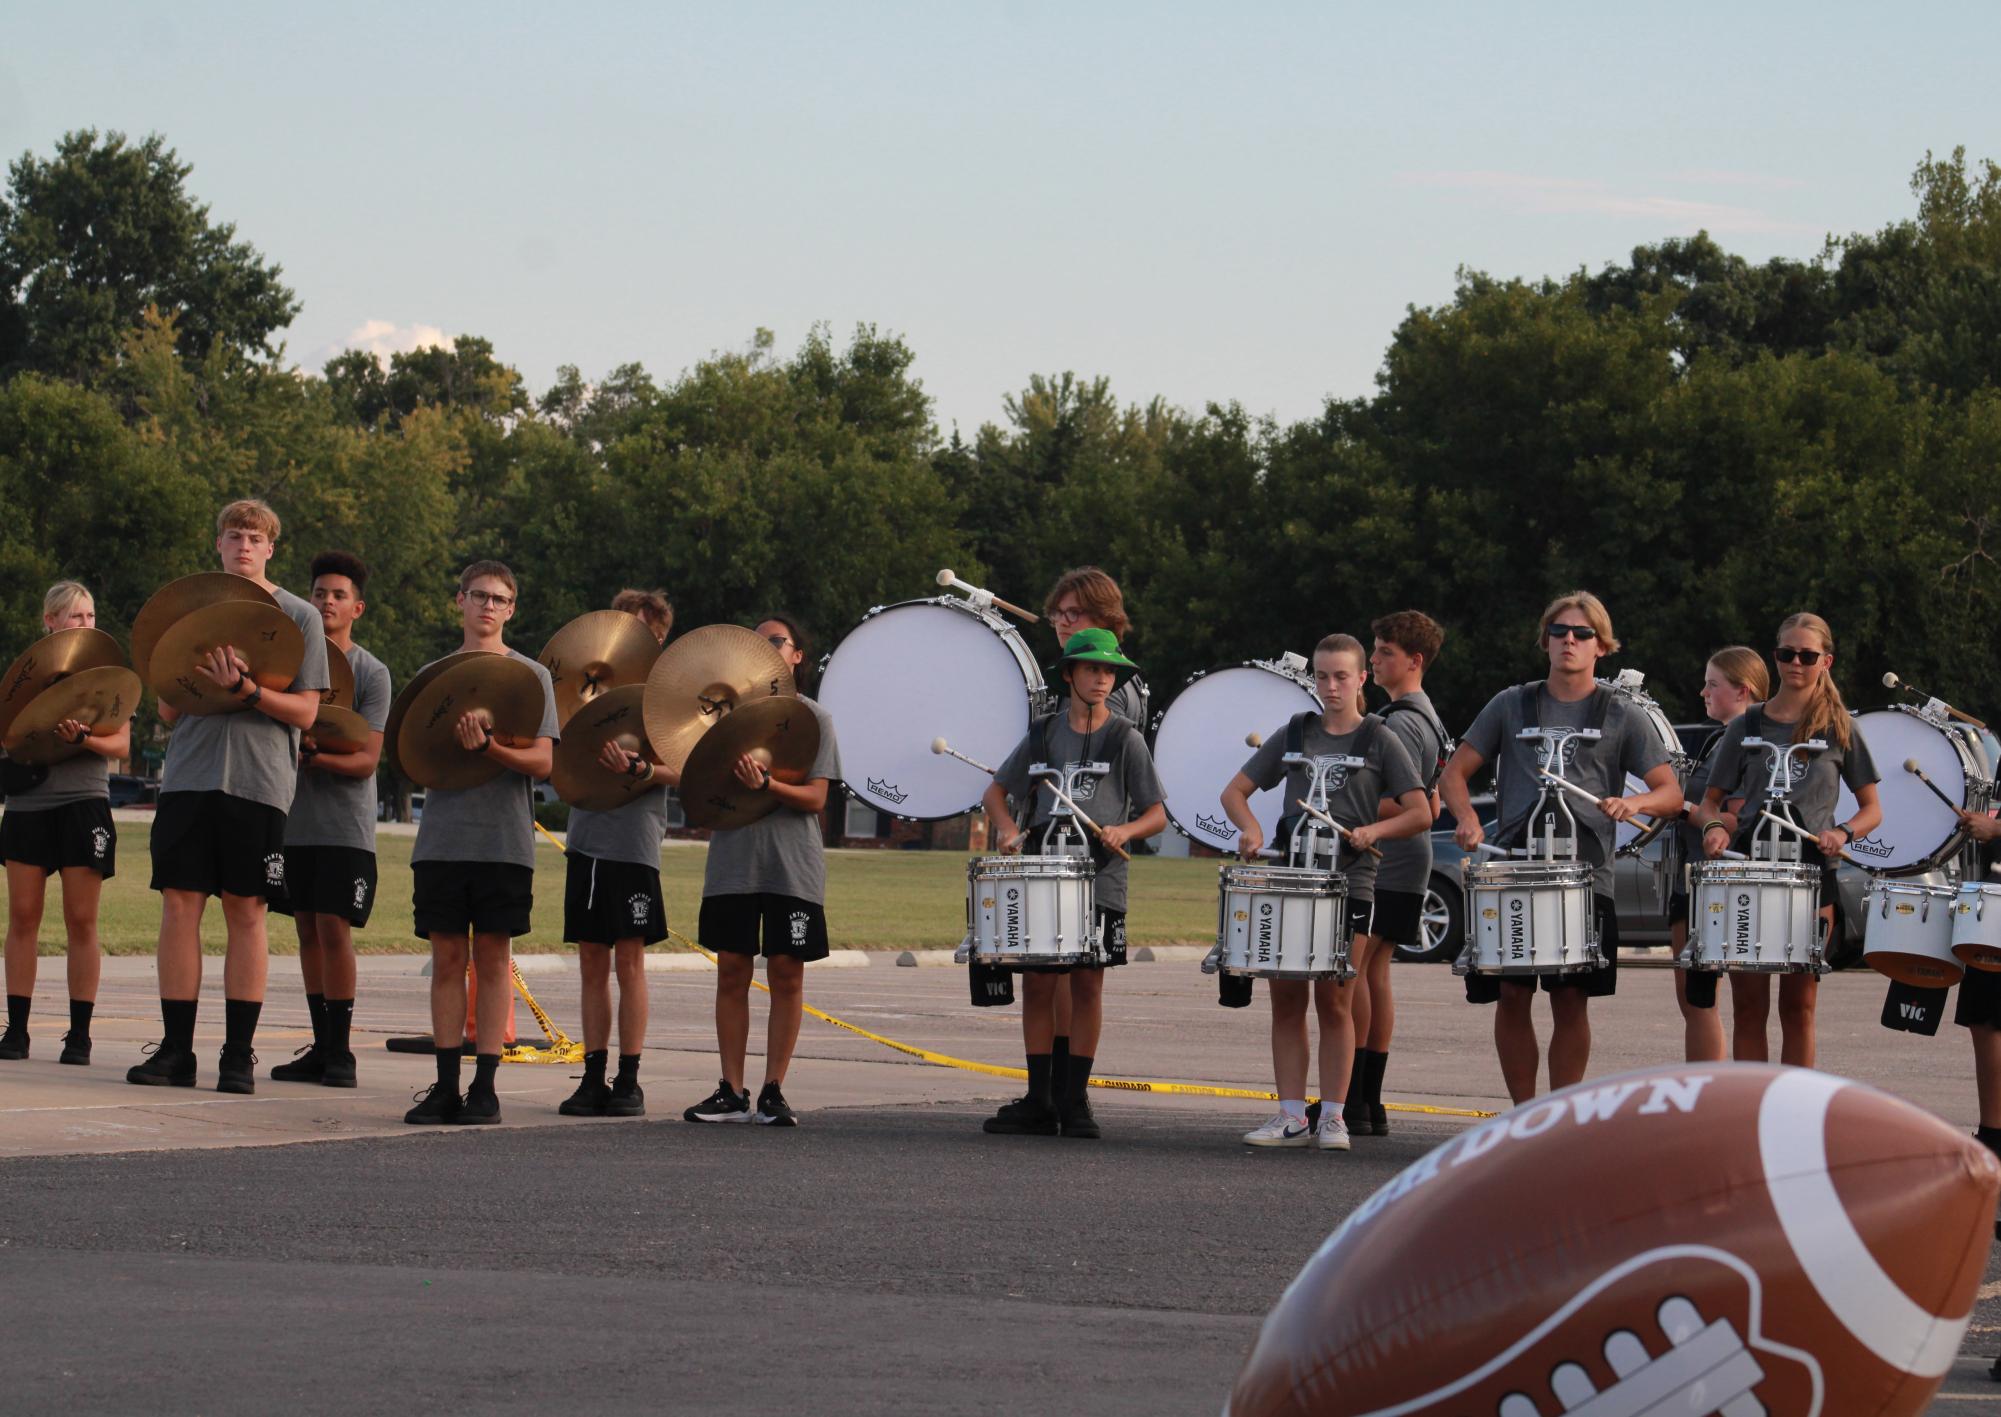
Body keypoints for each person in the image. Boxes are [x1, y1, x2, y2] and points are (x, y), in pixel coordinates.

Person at [1438, 591, 1681, 1104]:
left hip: (1586, 878)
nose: (1569, 640)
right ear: (1545, 640)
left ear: (1602, 645)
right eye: (1559, 631)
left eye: (1582, 633)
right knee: (1512, 993)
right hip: (1515, 873)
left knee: (1571, 1000)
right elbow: (1454, 773)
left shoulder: (1620, 713)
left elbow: (1671, 793)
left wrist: (1633, 805)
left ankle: (1558, 1116)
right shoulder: (1511, 704)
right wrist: (1465, 818)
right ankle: (1522, 1116)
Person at [129, 501, 329, 1094]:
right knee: (180, 906)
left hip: (259, 780)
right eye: (234, 535)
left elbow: (307, 710)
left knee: (247, 911)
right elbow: (166, 707)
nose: (244, 545)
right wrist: (197, 669)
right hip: (190, 776)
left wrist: (247, 690)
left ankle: (237, 1055)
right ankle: (175, 1049)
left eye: (255, 538)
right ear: (217, 544)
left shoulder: (298, 616)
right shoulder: (192, 611)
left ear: (271, 548)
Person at [1223, 634, 1431, 1151]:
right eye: (1321, 676)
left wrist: (1374, 833)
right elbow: (1235, 793)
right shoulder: (1295, 732)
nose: (1331, 686)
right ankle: (1291, 1115)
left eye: (1342, 676)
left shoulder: (1381, 737)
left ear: (1362, 679)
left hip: (1349, 886)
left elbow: (1422, 811)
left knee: (1335, 1001)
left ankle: (1334, 1116)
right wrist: (1249, 829)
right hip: (1292, 882)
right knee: (1286, 1001)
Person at [977, 628, 1168, 1140]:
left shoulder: (1126, 737)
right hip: (1043, 878)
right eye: (1091, 669)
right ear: (1069, 675)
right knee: (1039, 985)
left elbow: (1156, 814)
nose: (1102, 679)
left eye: (1109, 672)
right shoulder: (1042, 734)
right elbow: (995, 793)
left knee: (1088, 984)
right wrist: (1010, 829)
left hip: (1100, 879)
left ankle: (1075, 1098)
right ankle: (1040, 1098)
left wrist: (1125, 829)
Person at [403, 561, 559, 1125]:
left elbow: (543, 763)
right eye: (478, 596)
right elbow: (414, 757)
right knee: (447, 959)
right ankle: (445, 1084)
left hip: (503, 842)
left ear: (512, 609)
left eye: (499, 599)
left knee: (493, 959)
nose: (488, 607)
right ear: (460, 601)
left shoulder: (531, 676)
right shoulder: (434, 674)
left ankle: (486, 1087)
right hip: (442, 839)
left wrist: (491, 749)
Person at [1697, 613, 1880, 1069]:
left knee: (1798, 1009)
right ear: (1776, 656)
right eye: (1786, 654)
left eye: (1807, 655)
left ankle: (1794, 1114)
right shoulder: (1748, 724)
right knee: (1750, 1009)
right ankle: (1750, 1116)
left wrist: (1842, 833)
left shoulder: (1841, 727)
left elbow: (1873, 809)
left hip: (1813, 877)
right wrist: (1714, 828)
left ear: (1826, 661)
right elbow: (1709, 802)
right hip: (1750, 874)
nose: (1796, 663)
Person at [684, 614, 841, 1128]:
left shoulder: (814, 717)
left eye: (778, 641)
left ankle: (775, 1088)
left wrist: (768, 784)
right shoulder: (726, 717)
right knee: (732, 969)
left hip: (791, 866)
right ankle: (731, 1089)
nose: (768, 648)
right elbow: (700, 790)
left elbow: (816, 798)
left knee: (786, 972)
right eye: (759, 641)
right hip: (733, 861)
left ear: (797, 656)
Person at [265, 552, 390, 1088]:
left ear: (356, 607)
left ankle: (341, 1052)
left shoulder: (371, 672)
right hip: (295, 822)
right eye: (319, 594)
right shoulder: (293, 663)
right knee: (306, 932)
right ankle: (320, 1045)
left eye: (338, 595)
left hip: (344, 827)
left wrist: (312, 755)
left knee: (335, 931)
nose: (327, 602)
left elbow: (365, 761)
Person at [0, 583, 134, 1064]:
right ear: (50, 621)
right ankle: (16, 1031)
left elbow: (121, 747)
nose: (84, 624)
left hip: (83, 802)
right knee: (23, 919)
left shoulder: (109, 677)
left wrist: (85, 739)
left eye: (90, 614)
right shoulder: (25, 676)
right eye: (74, 616)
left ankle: (79, 1036)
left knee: (82, 921)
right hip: (29, 807)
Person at [1035, 566, 1149, 1108]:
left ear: (1107, 619)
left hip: (1087, 864)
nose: (1062, 621)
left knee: (1074, 979)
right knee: (1053, 977)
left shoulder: (1112, 701)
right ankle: (1053, 1092)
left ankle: (1064, 1092)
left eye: (1074, 614)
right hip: (1053, 856)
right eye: (1059, 614)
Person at [559, 598, 673, 1119]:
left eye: (644, 635)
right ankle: (592, 1074)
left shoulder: (670, 699)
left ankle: (629, 1078)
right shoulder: (587, 686)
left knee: (629, 959)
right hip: (587, 834)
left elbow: (692, 767)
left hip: (634, 841)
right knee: (589, 960)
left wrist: (645, 769)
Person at [1346, 610, 1449, 1136]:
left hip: (1390, 858)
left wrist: (1345, 804)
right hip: (1411, 858)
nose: (1375, 659)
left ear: (1414, 660)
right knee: (1377, 973)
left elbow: (1404, 803)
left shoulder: (1402, 722)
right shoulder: (1422, 714)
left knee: (1359, 973)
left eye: (1384, 651)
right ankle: (1369, 1102)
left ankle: (1355, 1098)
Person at [1668, 647, 1767, 1062]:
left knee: (1705, 1001)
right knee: (1693, 1000)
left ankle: (1717, 1101)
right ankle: (1705, 1098)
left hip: (1723, 885)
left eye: (1713, 684)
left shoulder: (1750, 740)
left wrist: (1683, 808)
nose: (1703, 691)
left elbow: (1738, 821)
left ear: (1743, 691)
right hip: (1692, 879)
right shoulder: (1717, 738)